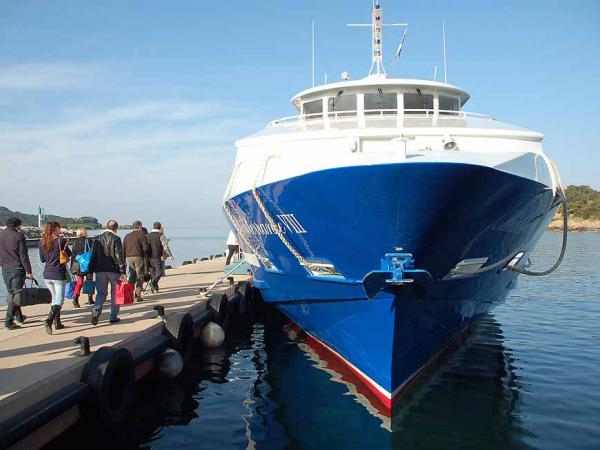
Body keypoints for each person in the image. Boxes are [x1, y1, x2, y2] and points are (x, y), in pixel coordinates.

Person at [88, 219, 126, 325]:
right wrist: (123, 271)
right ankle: (113, 316)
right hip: (114, 270)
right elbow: (119, 256)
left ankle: (96, 309)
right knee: (116, 294)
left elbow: (93, 256)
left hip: (99, 270)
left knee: (101, 293)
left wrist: (90, 271)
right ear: (116, 228)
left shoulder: (97, 239)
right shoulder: (116, 239)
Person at [39, 221, 71, 335]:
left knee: (54, 299)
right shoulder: (61, 241)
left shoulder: (42, 242)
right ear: (56, 229)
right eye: (59, 228)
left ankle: (57, 323)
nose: (60, 230)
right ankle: (49, 320)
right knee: (60, 300)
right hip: (58, 273)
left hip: (47, 274)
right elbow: (69, 254)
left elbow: (42, 259)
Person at [0, 217, 32, 330]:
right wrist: (29, 270)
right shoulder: (19, 236)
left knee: (11, 293)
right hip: (17, 268)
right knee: (15, 295)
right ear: (17, 225)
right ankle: (9, 321)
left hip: (5, 268)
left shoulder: (2, 235)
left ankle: (19, 317)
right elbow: (23, 255)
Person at [123, 220, 150, 302]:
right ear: (140, 226)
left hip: (129, 257)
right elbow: (146, 248)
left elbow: (123, 248)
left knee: (132, 275)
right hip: (138, 257)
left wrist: (124, 260)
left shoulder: (127, 236)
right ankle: (137, 295)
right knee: (140, 276)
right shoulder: (141, 235)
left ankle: (129, 294)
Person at [70, 228, 94, 308]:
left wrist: (72, 267)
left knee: (79, 282)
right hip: (88, 264)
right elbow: (92, 253)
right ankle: (90, 298)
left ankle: (76, 299)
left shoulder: (75, 242)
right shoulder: (89, 241)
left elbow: (73, 255)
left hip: (78, 265)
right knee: (89, 281)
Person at [147, 222, 165, 293]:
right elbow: (165, 247)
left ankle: (154, 288)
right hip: (157, 256)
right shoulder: (161, 235)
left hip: (149, 257)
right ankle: (153, 282)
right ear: (160, 227)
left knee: (152, 273)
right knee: (160, 272)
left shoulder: (147, 236)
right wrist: (170, 255)